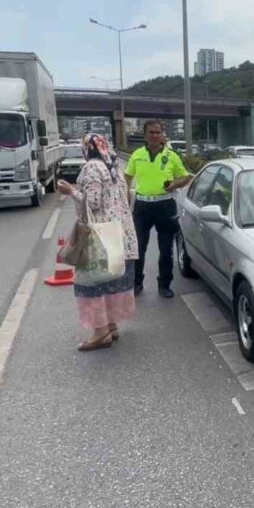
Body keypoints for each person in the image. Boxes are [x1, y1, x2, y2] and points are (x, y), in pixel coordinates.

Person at [57, 134, 139, 351]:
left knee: (91, 283)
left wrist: (71, 191)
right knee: (111, 282)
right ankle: (111, 326)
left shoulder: (92, 167)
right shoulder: (113, 167)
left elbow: (92, 203)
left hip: (99, 238)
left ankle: (100, 332)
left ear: (88, 149)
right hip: (120, 235)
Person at [125, 120, 193, 299]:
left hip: (165, 206)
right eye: (151, 132)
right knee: (138, 248)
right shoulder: (137, 155)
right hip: (142, 206)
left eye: (157, 132)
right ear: (145, 135)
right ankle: (136, 282)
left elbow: (185, 177)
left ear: (162, 135)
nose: (154, 136)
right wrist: (126, 195)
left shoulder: (172, 156)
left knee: (166, 249)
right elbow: (127, 176)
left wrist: (174, 185)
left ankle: (164, 284)